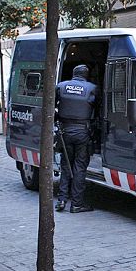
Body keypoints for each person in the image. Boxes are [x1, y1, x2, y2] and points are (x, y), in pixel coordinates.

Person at [55, 64, 97, 213]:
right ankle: (77, 204)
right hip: (82, 133)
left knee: (66, 166)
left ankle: (61, 200)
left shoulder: (61, 86)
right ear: (86, 75)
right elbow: (98, 111)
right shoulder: (92, 88)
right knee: (79, 168)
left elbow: (52, 107)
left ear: (74, 73)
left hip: (65, 132)